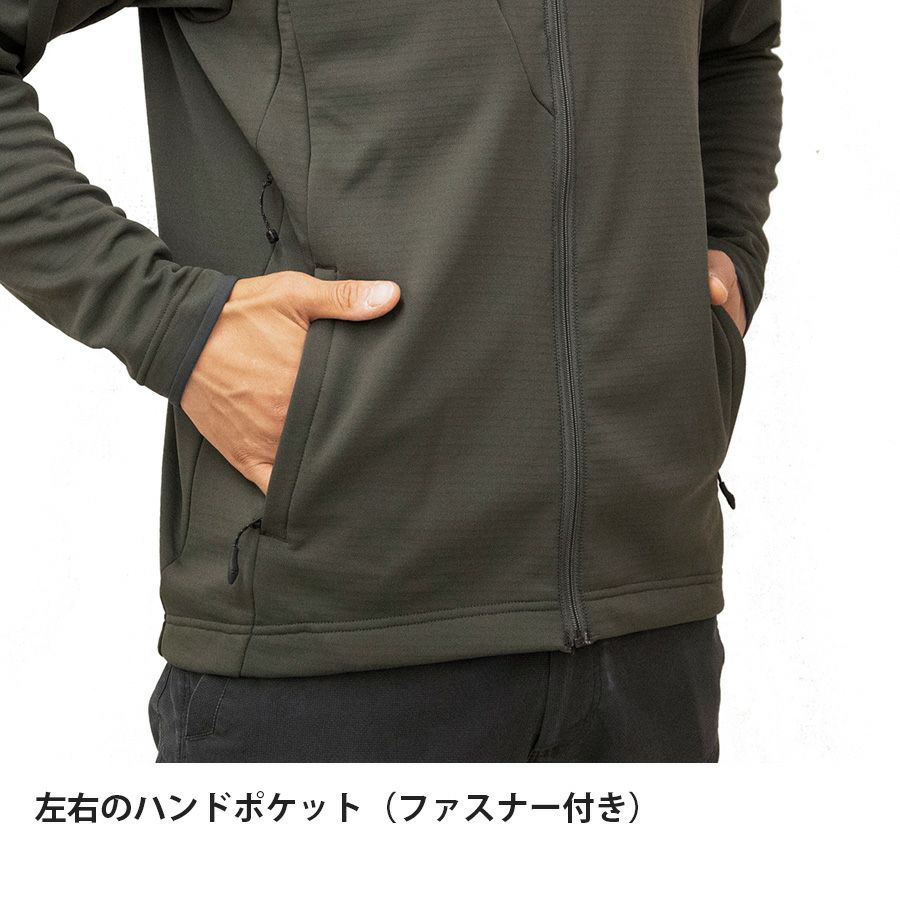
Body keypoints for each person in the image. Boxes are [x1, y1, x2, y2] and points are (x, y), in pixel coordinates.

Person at [0, 0, 782, 762]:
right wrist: (171, 323)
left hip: (651, 625)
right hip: (329, 645)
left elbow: (736, 41)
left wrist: (729, 248)